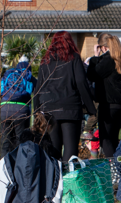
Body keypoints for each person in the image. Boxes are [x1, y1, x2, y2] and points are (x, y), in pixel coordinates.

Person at [36, 32, 96, 163]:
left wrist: (36, 110)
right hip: (70, 108)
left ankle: (55, 179)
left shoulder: (45, 61)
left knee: (53, 149)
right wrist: (91, 108)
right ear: (70, 43)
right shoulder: (74, 58)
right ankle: (68, 178)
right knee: (71, 149)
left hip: (49, 108)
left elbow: (38, 87)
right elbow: (81, 82)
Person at [85, 34, 121, 158]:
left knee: (106, 139)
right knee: (114, 137)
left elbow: (92, 75)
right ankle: (117, 163)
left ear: (104, 47)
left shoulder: (107, 60)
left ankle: (112, 168)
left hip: (107, 104)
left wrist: (95, 58)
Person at [0, 55, 34, 152]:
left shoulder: (7, 76)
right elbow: (38, 92)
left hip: (4, 110)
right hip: (21, 111)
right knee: (21, 140)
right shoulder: (28, 77)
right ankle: (19, 165)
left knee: (5, 142)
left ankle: (3, 165)